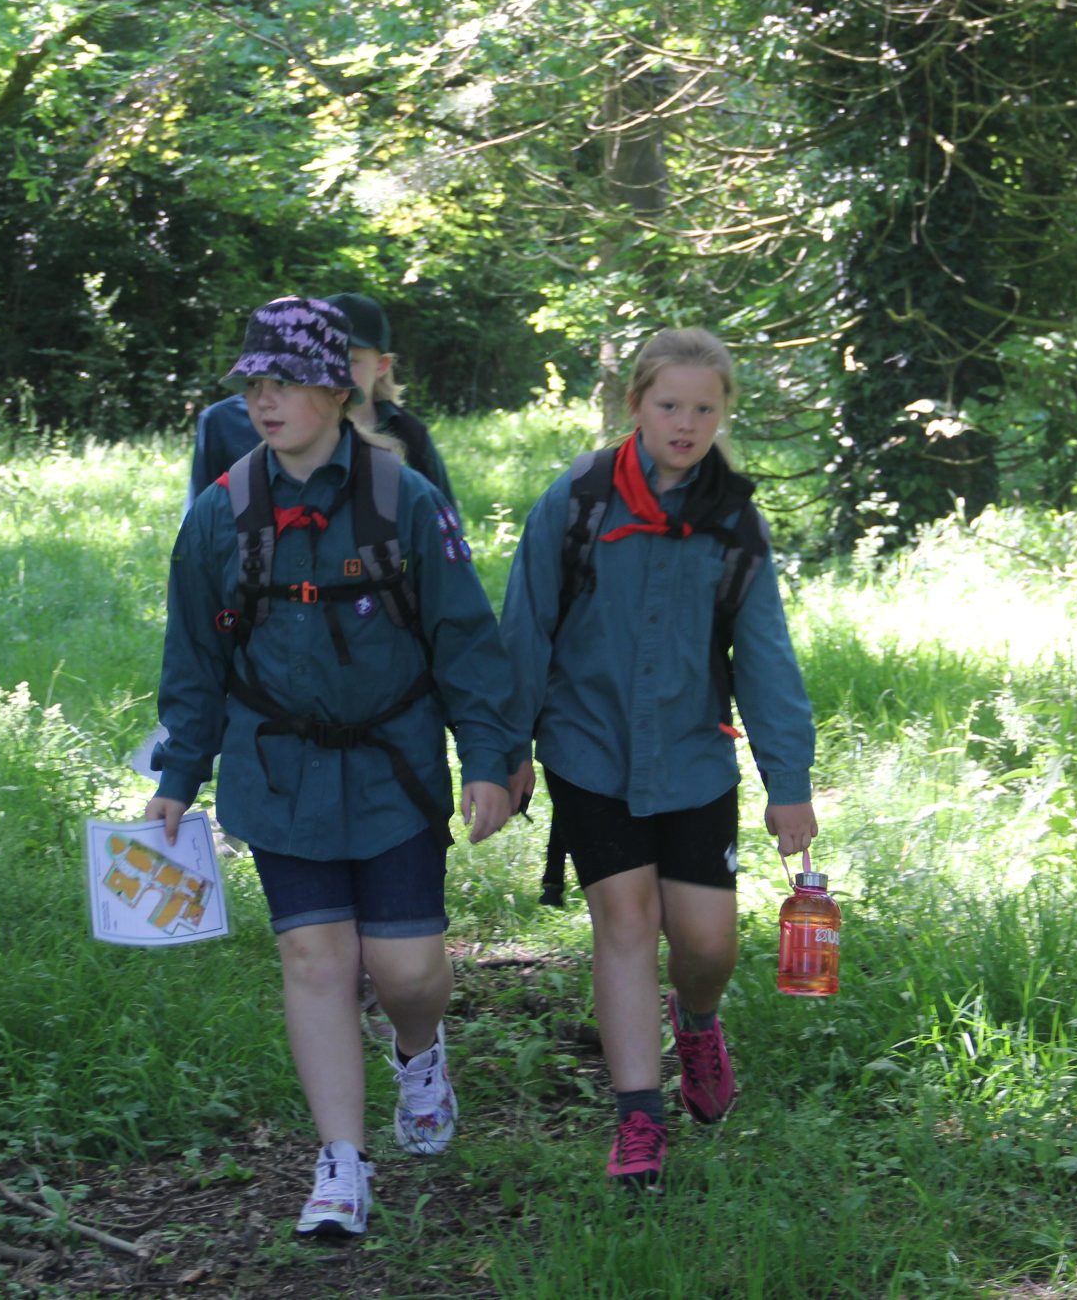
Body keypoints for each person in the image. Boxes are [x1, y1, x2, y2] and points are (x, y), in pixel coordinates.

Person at [147, 296, 517, 1240]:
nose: (264, 402)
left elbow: (466, 640)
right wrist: (177, 777)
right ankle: (341, 1165)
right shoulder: (221, 514)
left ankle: (420, 1047)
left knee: (406, 970)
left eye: (284, 384)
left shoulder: (404, 501)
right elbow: (194, 661)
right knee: (315, 958)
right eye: (254, 385)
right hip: (277, 775)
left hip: (393, 773)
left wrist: (487, 758)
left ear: (333, 387)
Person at [499, 328, 819, 1192]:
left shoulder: (734, 521)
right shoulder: (575, 502)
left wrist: (788, 785)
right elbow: (525, 628)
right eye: (669, 404)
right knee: (627, 924)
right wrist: (508, 750)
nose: (686, 423)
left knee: (707, 942)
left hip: (692, 757)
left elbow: (765, 658)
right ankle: (639, 1116)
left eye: (704, 407)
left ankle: (701, 1021)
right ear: (635, 403)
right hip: (588, 748)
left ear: (724, 412)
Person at [186, 291, 457, 507]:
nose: (265, 401)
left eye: (350, 361)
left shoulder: (409, 459)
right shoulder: (225, 425)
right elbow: (197, 539)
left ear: (381, 365)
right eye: (255, 383)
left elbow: (444, 536)